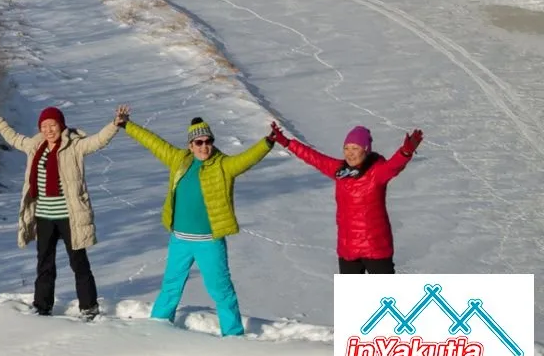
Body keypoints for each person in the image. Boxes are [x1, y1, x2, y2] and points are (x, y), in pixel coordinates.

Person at [120, 110, 275, 336]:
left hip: (209, 242)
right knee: (170, 287)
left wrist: (268, 142)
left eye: (208, 142)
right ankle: (156, 328)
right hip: (180, 240)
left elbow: (246, 159)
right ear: (190, 145)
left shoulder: (223, 165)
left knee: (221, 290)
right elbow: (153, 142)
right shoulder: (179, 160)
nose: (204, 147)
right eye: (199, 142)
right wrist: (127, 125)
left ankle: (233, 334)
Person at [0, 100, 127, 319]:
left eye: (53, 125)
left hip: (70, 217)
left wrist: (115, 125)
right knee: (44, 264)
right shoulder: (35, 146)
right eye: (44, 126)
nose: (49, 130)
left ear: (61, 125)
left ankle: (88, 307)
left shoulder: (75, 146)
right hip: (44, 217)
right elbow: (12, 136)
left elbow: (97, 141)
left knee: (79, 262)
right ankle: (42, 306)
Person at [267, 121, 423, 274]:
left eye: (355, 148)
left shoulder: (377, 172)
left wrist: (405, 152)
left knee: (386, 298)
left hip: (376, 248)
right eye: (346, 148)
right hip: (348, 249)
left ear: (366, 150)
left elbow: (394, 166)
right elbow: (314, 157)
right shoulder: (340, 171)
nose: (350, 153)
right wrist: (287, 143)